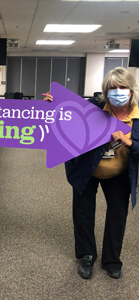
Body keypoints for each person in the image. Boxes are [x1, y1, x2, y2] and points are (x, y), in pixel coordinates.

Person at [63, 67, 139, 280]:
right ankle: (87, 255)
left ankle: (112, 260)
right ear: (105, 91)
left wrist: (129, 142)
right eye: (112, 88)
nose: (117, 91)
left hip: (120, 173)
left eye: (122, 87)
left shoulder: (138, 115)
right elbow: (67, 112)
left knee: (117, 215)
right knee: (83, 212)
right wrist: (54, 104)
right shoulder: (94, 107)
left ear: (131, 90)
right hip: (87, 168)